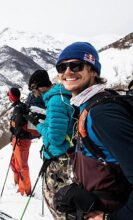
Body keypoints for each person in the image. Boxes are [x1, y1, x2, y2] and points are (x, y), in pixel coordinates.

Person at [56, 42, 133, 220]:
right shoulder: (87, 107)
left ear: (92, 70)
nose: (67, 72)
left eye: (76, 65)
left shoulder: (102, 114)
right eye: (62, 67)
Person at [25, 69, 74, 220]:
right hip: (62, 155)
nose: (34, 94)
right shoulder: (58, 97)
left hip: (58, 159)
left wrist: (37, 124)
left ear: (39, 87)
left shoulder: (55, 102)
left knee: (58, 203)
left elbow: (55, 138)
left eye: (33, 90)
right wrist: (44, 120)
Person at [7, 88, 42, 196]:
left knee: (22, 166)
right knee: (15, 163)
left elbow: (18, 126)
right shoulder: (20, 106)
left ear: (12, 97)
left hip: (21, 141)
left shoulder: (18, 109)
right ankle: (18, 184)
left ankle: (25, 192)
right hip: (20, 140)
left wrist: (13, 130)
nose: (8, 97)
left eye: (9, 95)